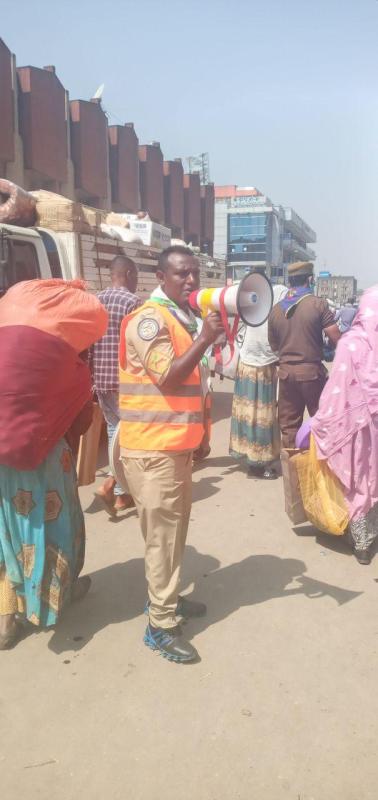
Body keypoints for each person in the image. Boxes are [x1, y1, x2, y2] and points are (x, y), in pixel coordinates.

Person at [119, 245, 224, 663]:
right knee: (162, 541)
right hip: (152, 451)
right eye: (181, 274)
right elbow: (168, 375)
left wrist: (198, 434)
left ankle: (169, 601)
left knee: (174, 534)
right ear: (160, 277)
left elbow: (192, 386)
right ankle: (160, 626)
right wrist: (205, 338)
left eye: (195, 273)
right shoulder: (149, 320)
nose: (191, 281)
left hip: (173, 447)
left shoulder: (181, 317)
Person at [0, 279, 108, 649]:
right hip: (47, 464)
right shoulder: (70, 369)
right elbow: (78, 425)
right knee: (56, 526)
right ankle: (57, 595)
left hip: (2, 463)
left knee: (7, 532)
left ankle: (5, 616)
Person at [311, 285, 378, 564]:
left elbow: (335, 389)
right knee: (370, 479)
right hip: (365, 425)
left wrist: (320, 421)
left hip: (352, 426)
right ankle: (366, 532)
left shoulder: (350, 343)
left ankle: (361, 541)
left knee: (357, 480)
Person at [268, 261, 340, 448]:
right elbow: (336, 338)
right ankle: (321, 470)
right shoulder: (318, 304)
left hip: (285, 374)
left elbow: (273, 345)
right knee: (322, 423)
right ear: (310, 279)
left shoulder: (275, 310)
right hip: (312, 375)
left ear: (290, 281)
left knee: (289, 427)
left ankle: (292, 474)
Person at [90, 255, 140, 516]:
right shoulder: (133, 303)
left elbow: (89, 344)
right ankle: (115, 489)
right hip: (125, 383)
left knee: (113, 434)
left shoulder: (95, 301)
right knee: (130, 438)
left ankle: (118, 490)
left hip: (101, 381)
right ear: (129, 273)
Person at [229, 284, 288, 479]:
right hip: (262, 371)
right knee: (263, 416)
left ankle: (249, 455)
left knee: (247, 414)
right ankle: (260, 463)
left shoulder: (253, 313)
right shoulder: (272, 317)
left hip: (245, 367)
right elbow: (275, 347)